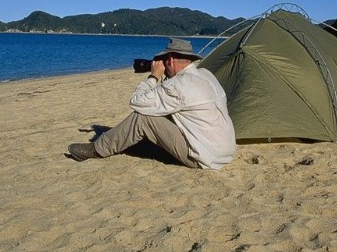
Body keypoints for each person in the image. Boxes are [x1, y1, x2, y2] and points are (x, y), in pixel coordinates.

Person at [67, 38, 237, 170]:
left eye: (163, 60)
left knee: (143, 118)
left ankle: (97, 149)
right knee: (162, 111)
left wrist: (154, 76)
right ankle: (127, 140)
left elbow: (136, 102)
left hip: (205, 156)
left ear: (170, 59)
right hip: (225, 151)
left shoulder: (179, 85)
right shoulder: (206, 75)